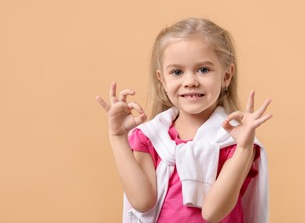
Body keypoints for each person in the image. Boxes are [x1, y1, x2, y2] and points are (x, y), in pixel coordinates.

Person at [96, 18, 272, 223]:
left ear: (226, 75)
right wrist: (118, 137)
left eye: (203, 70)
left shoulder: (233, 142)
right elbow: (142, 202)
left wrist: (243, 149)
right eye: (177, 72)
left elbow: (212, 213)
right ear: (162, 79)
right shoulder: (151, 137)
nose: (190, 82)